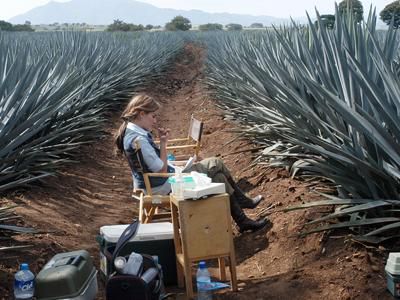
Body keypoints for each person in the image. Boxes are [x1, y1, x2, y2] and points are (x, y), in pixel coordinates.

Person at [115, 94, 269, 233]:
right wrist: (163, 144)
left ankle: (243, 220)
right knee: (216, 163)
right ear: (141, 114)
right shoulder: (139, 139)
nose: (155, 121)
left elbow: (155, 165)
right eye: (153, 116)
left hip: (154, 182)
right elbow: (161, 170)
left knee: (220, 178)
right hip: (163, 185)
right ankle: (243, 205)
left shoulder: (131, 133)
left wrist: (176, 164)